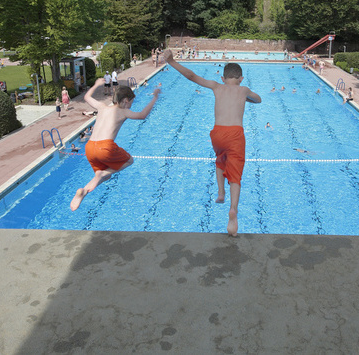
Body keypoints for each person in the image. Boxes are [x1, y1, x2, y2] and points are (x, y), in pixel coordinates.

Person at [164, 49, 261, 236]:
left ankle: (220, 193)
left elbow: (191, 76)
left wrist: (172, 61)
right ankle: (233, 209)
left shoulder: (217, 86)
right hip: (235, 134)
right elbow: (258, 100)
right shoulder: (244, 90)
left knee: (220, 158)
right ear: (241, 78)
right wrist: (246, 98)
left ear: (223, 78)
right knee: (236, 174)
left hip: (217, 134)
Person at [70, 78, 160, 211]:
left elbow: (87, 97)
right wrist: (155, 98)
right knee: (129, 161)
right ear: (125, 101)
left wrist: (96, 84)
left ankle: (84, 191)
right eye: (131, 103)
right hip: (105, 147)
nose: (130, 106)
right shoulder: (123, 111)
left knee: (104, 176)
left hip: (89, 148)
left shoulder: (102, 107)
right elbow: (142, 115)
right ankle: (99, 176)